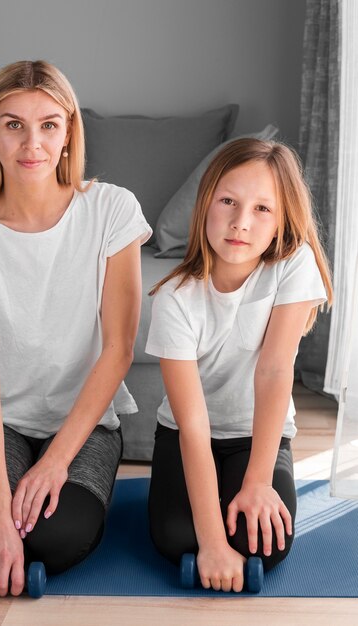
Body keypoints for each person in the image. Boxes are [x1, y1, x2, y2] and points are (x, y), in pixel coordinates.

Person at [0, 60, 152, 597]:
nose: (32, 143)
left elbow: (119, 349)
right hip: (0, 420)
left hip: (85, 423)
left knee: (53, 538)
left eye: (49, 124)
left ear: (70, 130)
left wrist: (53, 466)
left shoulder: (112, 209)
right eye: (13, 124)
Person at [145, 138, 333, 593]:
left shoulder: (294, 264)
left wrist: (258, 484)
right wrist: (210, 542)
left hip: (257, 434)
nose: (240, 223)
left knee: (264, 544)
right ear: (206, 201)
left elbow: (272, 372)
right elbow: (191, 423)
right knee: (180, 541)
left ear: (281, 222)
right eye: (228, 201)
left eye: (262, 209)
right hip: (188, 434)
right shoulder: (174, 297)